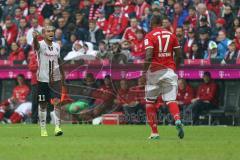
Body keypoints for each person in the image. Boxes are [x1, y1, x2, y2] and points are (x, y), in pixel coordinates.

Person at [143, 15, 184, 139]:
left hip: (155, 72)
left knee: (150, 102)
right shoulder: (172, 35)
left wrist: (144, 71)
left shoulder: (149, 36)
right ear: (162, 23)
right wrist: (173, 67)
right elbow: (179, 55)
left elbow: (149, 55)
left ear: (152, 23)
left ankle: (154, 133)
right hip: (169, 71)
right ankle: (177, 119)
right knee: (171, 100)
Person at [33, 25, 66, 137]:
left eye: (52, 31)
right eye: (48, 31)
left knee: (57, 102)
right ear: (44, 33)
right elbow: (36, 46)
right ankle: (43, 129)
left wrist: (63, 76)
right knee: (43, 104)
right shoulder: (40, 44)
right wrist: (34, 38)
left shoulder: (57, 46)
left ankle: (57, 127)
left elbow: (59, 60)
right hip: (42, 80)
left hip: (55, 80)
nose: (51, 33)